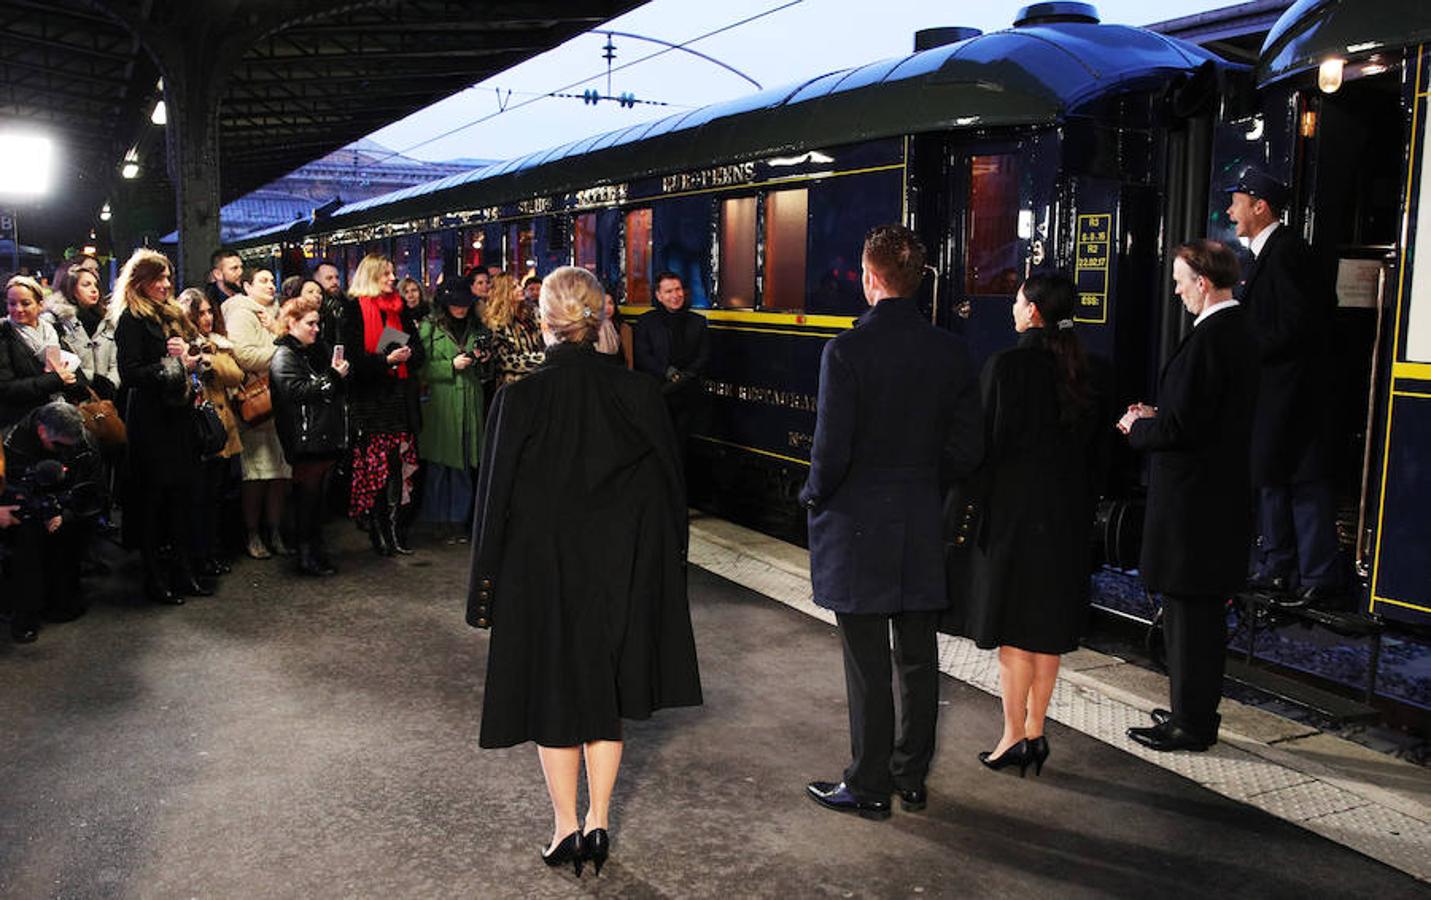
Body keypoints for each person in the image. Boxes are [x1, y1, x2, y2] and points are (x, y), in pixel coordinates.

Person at [468, 265, 701, 876]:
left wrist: (484, 593)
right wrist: (667, 565)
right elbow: (670, 492)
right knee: (608, 691)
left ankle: (565, 827)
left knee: (555, 693)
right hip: (620, 570)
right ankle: (599, 820)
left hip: (540, 573)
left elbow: (492, 506)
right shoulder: (640, 394)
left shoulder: (518, 397)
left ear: (542, 321)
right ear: (602, 318)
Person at [801, 226, 982, 819]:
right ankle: (911, 778)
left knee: (866, 662)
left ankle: (868, 783)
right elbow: (966, 450)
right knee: (918, 657)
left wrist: (814, 495)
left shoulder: (846, 350)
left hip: (856, 524)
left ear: (870, 277)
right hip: (919, 519)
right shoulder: (951, 351)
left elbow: (831, 450)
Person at [960, 272, 1103, 777]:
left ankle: (1011, 736)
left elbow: (983, 449)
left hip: (1014, 522)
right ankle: (1036, 731)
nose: (1013, 309)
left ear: (1034, 311)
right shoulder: (1086, 371)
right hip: (1064, 522)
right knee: (1045, 632)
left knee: (1014, 635)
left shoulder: (1006, 367)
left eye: (1018, 302)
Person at [1120, 240, 1259, 752]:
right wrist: (1160, 417)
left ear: (1203, 281)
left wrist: (1137, 428)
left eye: (1181, 281)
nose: (1177, 292)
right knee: (1195, 617)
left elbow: (1184, 429)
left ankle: (1191, 724)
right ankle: (1191, 709)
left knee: (1190, 619)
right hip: (1215, 499)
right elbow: (1202, 417)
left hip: (1194, 508)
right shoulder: (1237, 332)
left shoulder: (1212, 339)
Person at [1225, 168, 1341, 605]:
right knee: (1273, 476)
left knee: (1300, 479)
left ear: (1260, 206)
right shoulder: (1272, 252)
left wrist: (1248, 351)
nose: (1230, 211)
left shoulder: (1287, 252)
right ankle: (1279, 567)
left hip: (1291, 393)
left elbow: (1298, 325)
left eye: (1236, 201)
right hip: (1278, 392)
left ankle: (1316, 575)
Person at [113, 248, 207, 604]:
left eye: (168, 277)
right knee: (153, 501)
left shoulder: (175, 315)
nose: (166, 284)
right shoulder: (131, 320)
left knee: (183, 498)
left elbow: (196, 352)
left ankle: (184, 571)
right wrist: (175, 365)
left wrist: (192, 357)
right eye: (159, 278)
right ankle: (155, 578)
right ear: (140, 282)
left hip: (180, 417)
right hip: (150, 420)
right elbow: (131, 373)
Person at [342, 252, 425, 556]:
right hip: (370, 402)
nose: (393, 278)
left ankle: (394, 528)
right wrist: (385, 361)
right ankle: (378, 529)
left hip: (399, 400)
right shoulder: (352, 310)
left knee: (396, 467)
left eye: (393, 273)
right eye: (387, 274)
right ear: (371, 276)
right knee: (376, 470)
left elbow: (419, 352)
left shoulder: (399, 310)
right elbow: (351, 359)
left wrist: (405, 356)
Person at [1, 402, 98, 642]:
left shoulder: (83, 443)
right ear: (42, 431)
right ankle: (26, 613)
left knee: (71, 528)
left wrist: (62, 511)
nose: (63, 451)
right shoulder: (12, 444)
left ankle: (63, 599)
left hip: (65, 503)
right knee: (27, 535)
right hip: (21, 507)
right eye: (58, 445)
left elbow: (92, 490)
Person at [270, 296, 350, 576]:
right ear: (291, 323)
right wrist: (333, 376)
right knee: (308, 500)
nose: (317, 329)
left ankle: (313, 551)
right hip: (305, 439)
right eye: (311, 323)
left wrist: (332, 377)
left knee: (315, 501)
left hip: (319, 436)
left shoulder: (310, 351)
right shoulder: (285, 355)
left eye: (318, 323)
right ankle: (307, 555)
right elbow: (297, 392)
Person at [223, 267, 293, 560]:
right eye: (262, 280)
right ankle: (253, 534)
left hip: (279, 402)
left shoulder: (274, 314)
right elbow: (244, 354)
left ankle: (274, 530)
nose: (270, 285)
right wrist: (283, 349)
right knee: (256, 476)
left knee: (279, 474)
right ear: (247, 287)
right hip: (257, 402)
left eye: (271, 280)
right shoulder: (242, 313)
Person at [416, 283, 491, 541]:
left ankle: (459, 521)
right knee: (439, 465)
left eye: (465, 303)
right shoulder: (429, 327)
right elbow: (419, 368)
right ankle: (435, 521)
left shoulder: (478, 327)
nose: (461, 308)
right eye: (456, 303)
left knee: (465, 463)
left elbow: (486, 371)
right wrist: (450, 365)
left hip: (469, 400)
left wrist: (482, 360)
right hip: (440, 403)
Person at [180, 288, 245, 578]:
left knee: (220, 494)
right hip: (197, 428)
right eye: (200, 313)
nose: (206, 318)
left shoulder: (218, 344)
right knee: (199, 498)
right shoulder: (181, 345)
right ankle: (199, 554)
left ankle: (214, 551)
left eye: (209, 312)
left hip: (223, 427)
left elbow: (235, 375)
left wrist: (211, 358)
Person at [2, 275, 90, 434]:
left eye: (25, 303)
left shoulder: (53, 333)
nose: (18, 309)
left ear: (40, 305)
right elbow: (6, 389)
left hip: (63, 419)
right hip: (25, 426)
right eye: (12, 303)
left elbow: (76, 376)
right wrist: (55, 380)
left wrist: (72, 381)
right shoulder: (4, 336)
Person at [632, 272, 710, 449]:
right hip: (657, 394)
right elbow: (642, 355)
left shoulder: (698, 322)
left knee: (682, 446)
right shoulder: (646, 321)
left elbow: (703, 356)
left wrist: (685, 376)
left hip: (688, 395)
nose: (675, 295)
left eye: (678, 289)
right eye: (669, 291)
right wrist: (667, 372)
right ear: (658, 296)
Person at [45, 265, 120, 398]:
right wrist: (90, 380)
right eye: (86, 285)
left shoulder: (108, 321)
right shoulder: (55, 321)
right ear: (72, 289)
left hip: (104, 399)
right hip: (70, 396)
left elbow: (115, 362)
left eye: (96, 285)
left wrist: (111, 384)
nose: (94, 290)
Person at [484, 272, 544, 387]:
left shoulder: (531, 314)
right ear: (504, 292)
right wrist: (543, 359)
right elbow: (506, 360)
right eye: (514, 287)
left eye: (519, 285)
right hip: (513, 386)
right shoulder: (495, 323)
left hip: (537, 380)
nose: (521, 289)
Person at [313, 260, 346, 348]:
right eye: (329, 278)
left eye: (337, 277)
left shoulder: (348, 304)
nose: (335, 282)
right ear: (317, 281)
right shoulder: (313, 308)